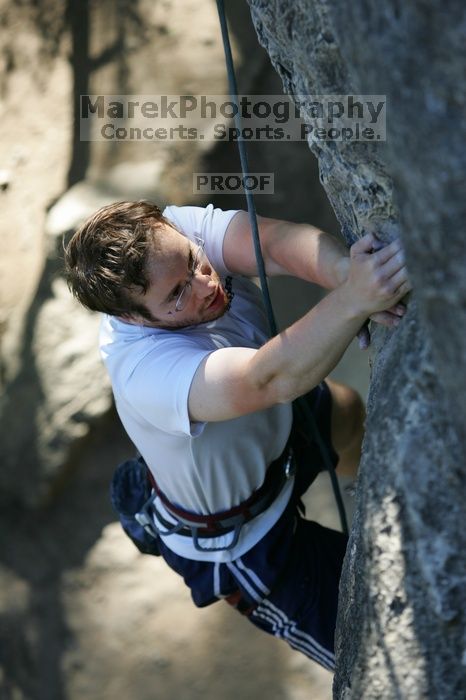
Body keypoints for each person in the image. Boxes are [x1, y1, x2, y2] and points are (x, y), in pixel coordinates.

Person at [64, 201, 410, 670]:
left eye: (193, 260)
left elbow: (273, 244)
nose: (205, 284)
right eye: (177, 295)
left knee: (346, 414)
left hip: (277, 426)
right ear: (135, 319)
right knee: (374, 650)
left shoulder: (164, 240)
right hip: (244, 538)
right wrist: (353, 301)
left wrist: (349, 272)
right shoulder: (143, 372)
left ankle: (384, 498)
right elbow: (265, 380)